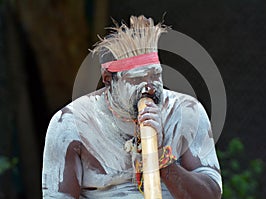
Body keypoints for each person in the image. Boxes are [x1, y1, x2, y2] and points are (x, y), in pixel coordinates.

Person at [42, 15, 222, 199]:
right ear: (108, 80)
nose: (149, 87)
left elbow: (211, 195)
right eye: (136, 79)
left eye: (155, 75)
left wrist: (161, 158)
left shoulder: (187, 113)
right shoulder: (70, 124)